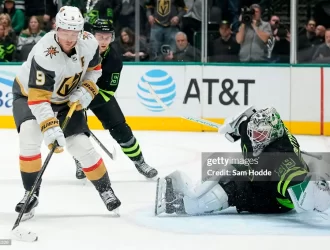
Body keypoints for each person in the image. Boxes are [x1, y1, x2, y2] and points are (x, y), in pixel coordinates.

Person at [12, 6, 121, 221]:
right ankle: (30, 194)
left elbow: (95, 71)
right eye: (65, 33)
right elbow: (38, 99)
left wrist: (87, 90)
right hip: (29, 96)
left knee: (81, 145)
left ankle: (105, 190)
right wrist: (50, 127)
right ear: (56, 28)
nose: (69, 39)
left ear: (81, 31)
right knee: (29, 135)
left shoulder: (89, 43)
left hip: (63, 101)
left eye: (74, 33)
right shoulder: (44, 52)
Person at [155, 106, 330, 216]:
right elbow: (247, 121)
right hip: (259, 173)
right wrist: (236, 127)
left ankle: (179, 203)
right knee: (223, 171)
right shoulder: (262, 130)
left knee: (219, 193)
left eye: (259, 135)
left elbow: (300, 188)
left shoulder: (282, 162)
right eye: (254, 133)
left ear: (272, 135)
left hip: (272, 198)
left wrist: (316, 189)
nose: (254, 138)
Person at [73, 19, 158, 180]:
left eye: (107, 37)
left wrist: (87, 98)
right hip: (75, 94)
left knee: (120, 128)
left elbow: (108, 91)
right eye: (100, 36)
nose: (103, 41)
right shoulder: (77, 51)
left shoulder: (114, 59)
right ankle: (80, 161)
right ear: (91, 36)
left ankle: (140, 162)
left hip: (99, 95)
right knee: (75, 130)